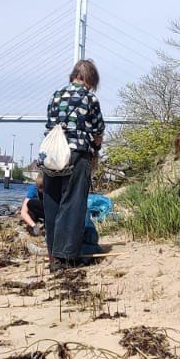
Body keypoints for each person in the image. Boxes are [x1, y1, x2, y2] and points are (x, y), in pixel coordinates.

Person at [41, 59, 105, 272]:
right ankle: (65, 256)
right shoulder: (89, 98)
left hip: (52, 155)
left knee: (52, 201)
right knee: (73, 203)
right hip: (76, 154)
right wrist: (96, 148)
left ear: (73, 76)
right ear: (90, 79)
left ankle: (52, 253)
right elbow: (98, 131)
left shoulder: (56, 95)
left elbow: (50, 124)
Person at [21, 172, 103, 257]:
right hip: (70, 223)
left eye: (43, 188)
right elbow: (24, 211)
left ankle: (91, 248)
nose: (42, 190)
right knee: (32, 203)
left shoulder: (60, 193)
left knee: (80, 244)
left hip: (84, 232)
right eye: (40, 188)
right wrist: (34, 226)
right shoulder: (35, 189)